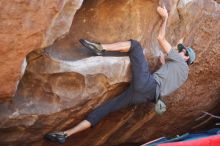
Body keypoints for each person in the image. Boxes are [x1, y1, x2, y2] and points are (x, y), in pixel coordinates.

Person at [44, 6, 196, 144]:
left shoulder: (180, 62)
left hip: (147, 84)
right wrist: (170, 55)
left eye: (182, 51)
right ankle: (66, 134)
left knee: (135, 46)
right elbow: (163, 61)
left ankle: (100, 48)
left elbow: (160, 39)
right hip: (145, 96)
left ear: (186, 57)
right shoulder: (182, 75)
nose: (180, 51)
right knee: (107, 108)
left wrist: (165, 18)